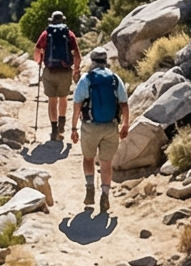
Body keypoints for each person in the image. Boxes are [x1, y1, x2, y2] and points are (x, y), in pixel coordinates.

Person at [71, 48, 131, 212]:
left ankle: (90, 187)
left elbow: (77, 105)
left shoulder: (86, 79)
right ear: (106, 61)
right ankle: (105, 194)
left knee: (88, 159)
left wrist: (73, 128)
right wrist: (125, 124)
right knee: (106, 163)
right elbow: (124, 104)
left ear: (92, 61)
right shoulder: (114, 79)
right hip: (111, 127)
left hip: (90, 127)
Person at [34, 11, 82, 145]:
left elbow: (37, 50)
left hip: (50, 71)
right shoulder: (69, 34)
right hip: (65, 72)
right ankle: (62, 125)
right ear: (63, 21)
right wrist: (76, 70)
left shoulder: (46, 33)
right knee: (63, 98)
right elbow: (77, 54)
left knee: (52, 100)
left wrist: (39, 62)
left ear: (52, 21)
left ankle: (54, 129)